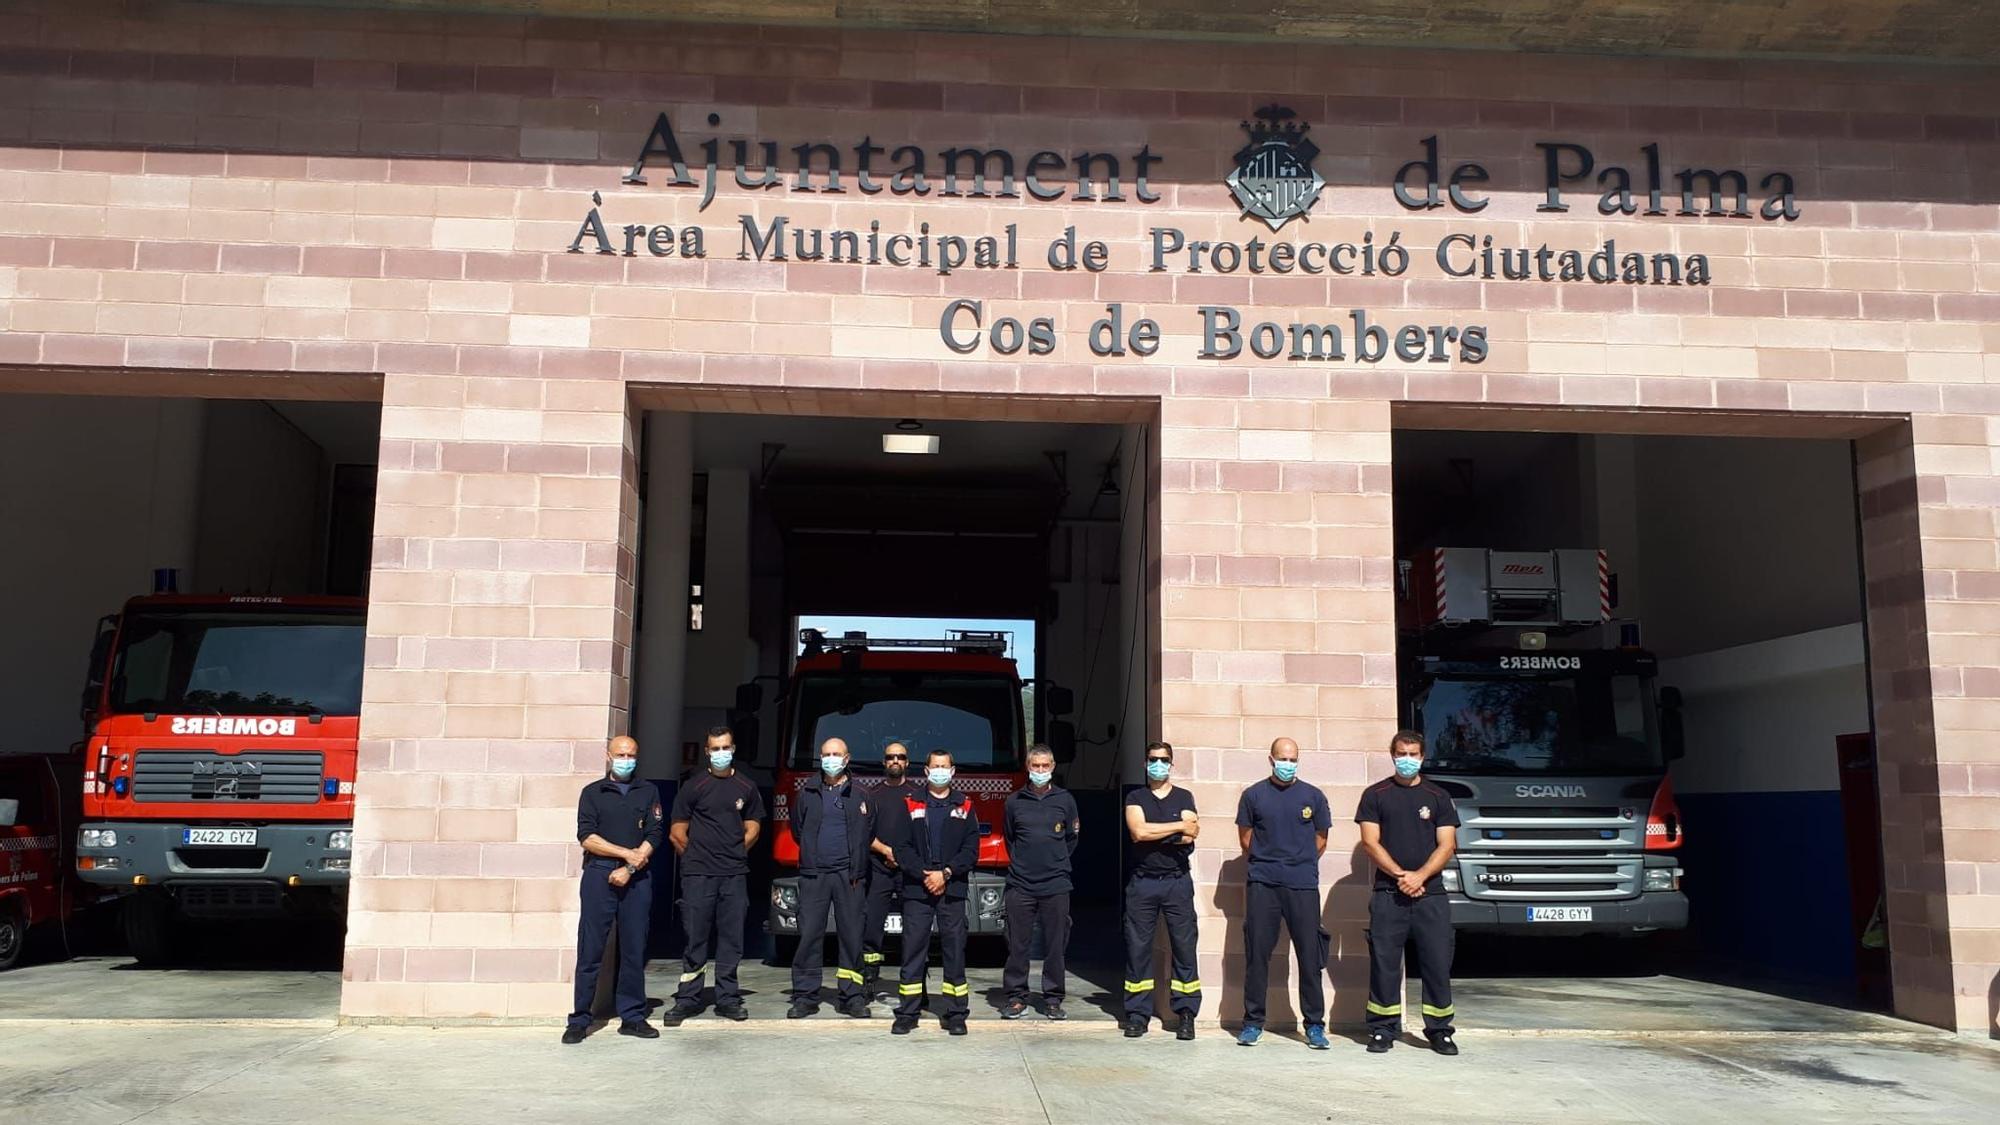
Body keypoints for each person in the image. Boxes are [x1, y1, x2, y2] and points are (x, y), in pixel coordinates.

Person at [1357, 729, 1461, 1055]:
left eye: (1413, 754)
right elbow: (1370, 842)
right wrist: (1402, 875)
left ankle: (1440, 1030)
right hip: (1389, 894)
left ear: (1422, 757)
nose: (1407, 760)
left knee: (1436, 962)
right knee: (1385, 963)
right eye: (1401, 754)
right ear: (1392, 755)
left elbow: (1448, 845)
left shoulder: (1438, 797)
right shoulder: (1376, 794)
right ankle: (1383, 1029)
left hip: (1431, 895)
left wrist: (1420, 876)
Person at [564, 735, 663, 1044]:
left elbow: (655, 832)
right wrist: (625, 854)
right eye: (620, 754)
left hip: (637, 876)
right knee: (591, 948)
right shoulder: (593, 793)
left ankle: (632, 1016)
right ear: (609, 756)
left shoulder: (648, 791)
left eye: (631, 754)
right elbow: (587, 837)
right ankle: (580, 1019)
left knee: (634, 949)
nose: (626, 759)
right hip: (599, 875)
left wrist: (631, 866)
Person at [661, 725, 763, 1026]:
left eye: (726, 748)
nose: (721, 753)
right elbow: (677, 831)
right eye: (715, 749)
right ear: (707, 751)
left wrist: (736, 851)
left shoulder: (747, 787)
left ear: (733, 750)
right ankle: (688, 999)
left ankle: (728, 999)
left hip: (733, 875)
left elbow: (754, 824)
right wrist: (695, 858)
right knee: (696, 938)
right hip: (698, 876)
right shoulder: (694, 786)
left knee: (732, 940)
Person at [1235, 736, 1332, 1050]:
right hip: (1263, 883)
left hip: (1302, 884)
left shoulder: (1313, 796)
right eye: (1282, 758)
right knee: (1258, 956)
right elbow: (1246, 840)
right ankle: (1252, 1023)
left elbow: (1321, 839)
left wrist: (1297, 863)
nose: (1288, 764)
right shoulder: (1253, 795)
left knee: (1309, 956)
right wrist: (1271, 862)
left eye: (1293, 759)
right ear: (1271, 759)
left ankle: (1315, 1026)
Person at [883, 748, 981, 1036]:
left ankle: (955, 1013)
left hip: (952, 888)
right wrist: (924, 874)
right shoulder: (911, 803)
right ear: (926, 771)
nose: (939, 770)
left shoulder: (965, 805)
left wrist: (946, 873)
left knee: (954, 950)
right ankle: (908, 1013)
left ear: (953, 771)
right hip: (918, 888)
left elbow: (971, 850)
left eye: (944, 766)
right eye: (934, 766)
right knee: (913, 950)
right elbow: (901, 847)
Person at [787, 736, 874, 1018]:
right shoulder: (807, 792)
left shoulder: (861, 795)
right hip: (814, 875)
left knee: (851, 937)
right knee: (810, 935)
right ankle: (805, 996)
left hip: (849, 876)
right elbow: (798, 829)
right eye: (826, 754)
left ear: (847, 759)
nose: (831, 759)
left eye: (837, 754)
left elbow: (868, 832)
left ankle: (852, 996)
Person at [1122, 740, 1202, 1040]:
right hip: (1142, 883)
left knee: (1184, 948)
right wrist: (1174, 828)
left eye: (1164, 760)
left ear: (1172, 764)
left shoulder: (1185, 796)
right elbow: (1138, 831)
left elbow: (1191, 833)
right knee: (1138, 949)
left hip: (1177, 882)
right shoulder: (1135, 796)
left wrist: (1160, 831)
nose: (1159, 764)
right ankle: (1137, 1015)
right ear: (1145, 763)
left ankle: (1185, 1014)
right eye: (1153, 759)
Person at [1000, 743, 1080, 1020]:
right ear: (1028, 767)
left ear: (1053, 767)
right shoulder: (1014, 802)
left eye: (1046, 766)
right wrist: (1025, 864)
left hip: (1056, 884)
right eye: (1036, 766)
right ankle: (1016, 997)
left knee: (1056, 945)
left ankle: (1053, 999)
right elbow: (1010, 838)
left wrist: (1055, 862)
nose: (1041, 770)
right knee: (1017, 944)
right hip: (1021, 884)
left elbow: (1071, 838)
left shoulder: (1065, 800)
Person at [861, 740, 918, 990]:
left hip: (909, 870)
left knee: (914, 925)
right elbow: (863, 832)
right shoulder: (871, 796)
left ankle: (914, 975)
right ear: (884, 763)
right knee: (872, 924)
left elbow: (921, 833)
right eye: (891, 757)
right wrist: (886, 851)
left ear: (907, 762)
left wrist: (903, 856)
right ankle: (869, 973)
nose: (895, 761)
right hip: (878, 868)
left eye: (900, 757)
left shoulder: (918, 795)